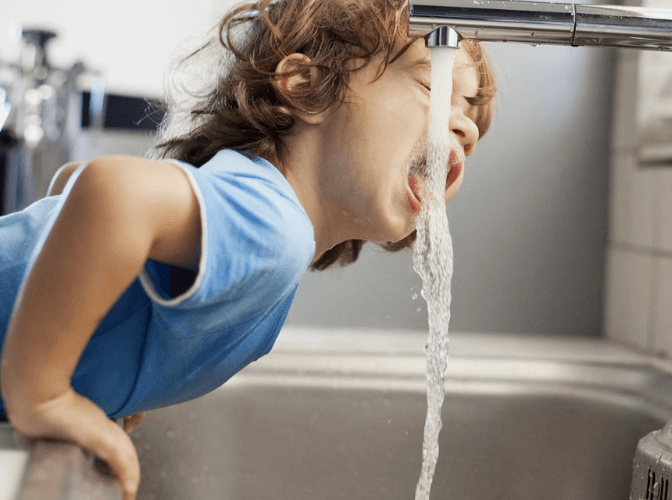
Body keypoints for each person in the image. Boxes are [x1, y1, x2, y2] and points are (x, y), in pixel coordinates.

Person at [0, 0, 496, 498]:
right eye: (433, 88)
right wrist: (44, 392)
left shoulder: (258, 211)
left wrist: (97, 364)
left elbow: (72, 187)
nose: (464, 128)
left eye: (469, 118)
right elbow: (109, 192)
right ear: (306, 87)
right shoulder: (275, 227)